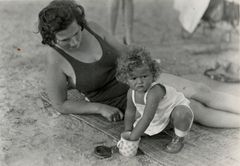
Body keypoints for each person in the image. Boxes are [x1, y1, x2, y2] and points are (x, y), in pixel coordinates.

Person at [38, 0, 240, 128]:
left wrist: (150, 68)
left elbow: (125, 51)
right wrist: (99, 108)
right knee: (193, 108)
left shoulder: (91, 28)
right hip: (123, 100)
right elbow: (60, 104)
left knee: (199, 89)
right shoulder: (55, 61)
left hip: (134, 77)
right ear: (51, 39)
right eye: (65, 40)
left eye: (76, 33)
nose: (75, 42)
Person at [116, 46, 194, 153]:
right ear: (126, 79)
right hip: (159, 115)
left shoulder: (154, 92)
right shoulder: (131, 92)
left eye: (144, 76)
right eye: (134, 78)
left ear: (153, 74)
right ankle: (167, 126)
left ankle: (179, 138)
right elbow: (130, 112)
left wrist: (132, 139)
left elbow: (147, 118)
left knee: (182, 114)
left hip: (173, 110)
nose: (139, 82)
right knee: (137, 130)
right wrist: (128, 131)